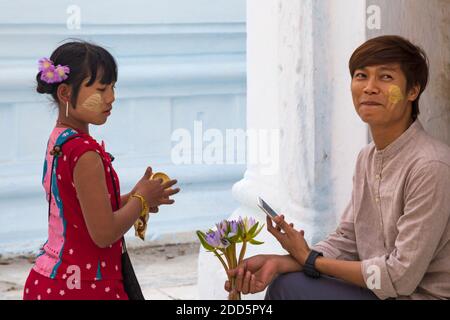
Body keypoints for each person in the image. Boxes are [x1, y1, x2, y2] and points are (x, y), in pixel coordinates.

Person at [225, 35, 450, 300]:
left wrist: (310, 259)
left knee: (288, 288)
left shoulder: (431, 165)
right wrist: (281, 261)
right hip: (380, 293)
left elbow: (399, 277)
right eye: (361, 76)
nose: (369, 87)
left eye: (386, 77)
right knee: (286, 280)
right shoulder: (367, 157)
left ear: (413, 90)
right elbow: (349, 239)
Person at [23, 41, 180, 300]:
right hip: (84, 287)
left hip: (51, 279)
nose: (111, 97)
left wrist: (135, 199)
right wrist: (141, 199)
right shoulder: (85, 154)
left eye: (113, 87)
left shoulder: (59, 140)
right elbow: (104, 232)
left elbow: (79, 214)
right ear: (65, 93)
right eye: (101, 89)